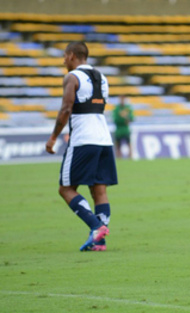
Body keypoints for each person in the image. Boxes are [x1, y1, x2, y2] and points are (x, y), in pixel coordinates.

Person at [46, 41, 117, 252]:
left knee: (66, 188)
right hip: (103, 137)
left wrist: (53, 138)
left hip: (83, 139)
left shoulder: (72, 77)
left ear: (71, 56)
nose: (63, 61)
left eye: (64, 56)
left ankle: (96, 227)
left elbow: (66, 108)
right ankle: (100, 241)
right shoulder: (102, 78)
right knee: (99, 190)